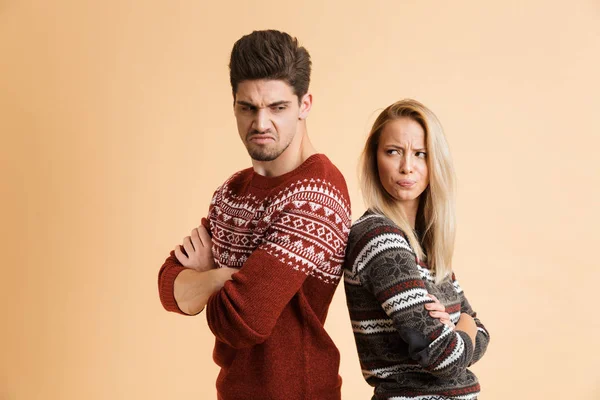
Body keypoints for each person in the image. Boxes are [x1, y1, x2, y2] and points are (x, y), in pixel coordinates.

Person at [157, 30, 352, 400]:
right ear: (233, 105)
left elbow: (244, 321)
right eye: (248, 107)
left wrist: (202, 283)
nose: (260, 124)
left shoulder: (318, 192)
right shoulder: (232, 191)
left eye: (277, 108)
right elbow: (168, 287)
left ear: (305, 104)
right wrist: (222, 279)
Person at [343, 99, 490, 400]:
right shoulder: (379, 237)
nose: (407, 166)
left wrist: (459, 327)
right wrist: (461, 323)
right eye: (393, 151)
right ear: (375, 158)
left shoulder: (423, 245)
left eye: (420, 154)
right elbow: (446, 356)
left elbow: (482, 333)